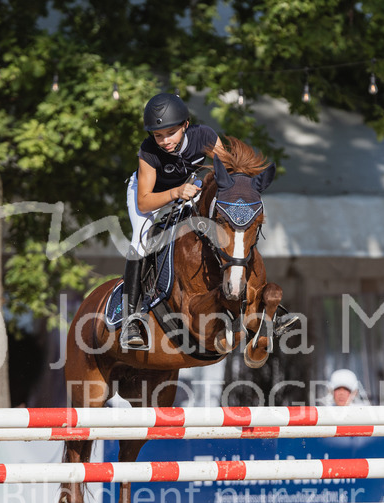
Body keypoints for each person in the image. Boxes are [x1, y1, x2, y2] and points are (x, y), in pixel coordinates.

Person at [121, 93, 299, 350]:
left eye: (170, 133)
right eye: (158, 135)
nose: (165, 141)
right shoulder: (149, 151)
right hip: (150, 197)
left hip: (190, 191)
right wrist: (175, 192)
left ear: (185, 124)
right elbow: (144, 202)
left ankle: (262, 305)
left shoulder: (204, 135)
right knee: (140, 241)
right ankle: (130, 320)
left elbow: (225, 173)